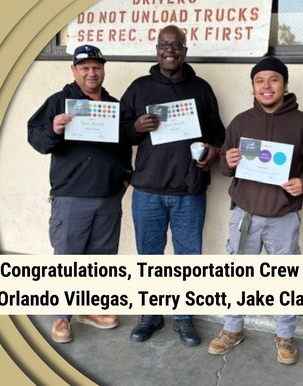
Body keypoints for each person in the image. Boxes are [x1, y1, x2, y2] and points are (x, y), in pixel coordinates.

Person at [207, 56, 303, 364]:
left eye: (273, 79)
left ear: (285, 84)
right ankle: (232, 328)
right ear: (253, 87)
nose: (266, 86)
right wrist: (228, 162)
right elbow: (223, 167)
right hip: (244, 214)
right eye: (260, 81)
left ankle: (285, 334)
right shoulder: (240, 122)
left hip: (283, 216)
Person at [120, 25, 225, 347]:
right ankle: (150, 315)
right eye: (165, 45)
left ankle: (183, 317)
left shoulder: (202, 88)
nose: (170, 50)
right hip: (148, 190)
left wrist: (211, 153)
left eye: (176, 45)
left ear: (184, 50)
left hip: (188, 192)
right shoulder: (139, 88)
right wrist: (136, 127)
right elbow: (118, 132)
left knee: (187, 257)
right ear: (157, 49)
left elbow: (218, 135)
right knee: (149, 256)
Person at [28, 45, 132, 343]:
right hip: (71, 195)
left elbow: (125, 145)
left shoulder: (113, 105)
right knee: (68, 257)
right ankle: (62, 316)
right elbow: (36, 138)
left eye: (96, 67)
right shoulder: (59, 102)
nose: (91, 72)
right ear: (74, 70)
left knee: (102, 258)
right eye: (84, 67)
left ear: (103, 70)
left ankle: (90, 308)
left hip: (108, 196)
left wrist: (125, 179)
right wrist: (54, 129)